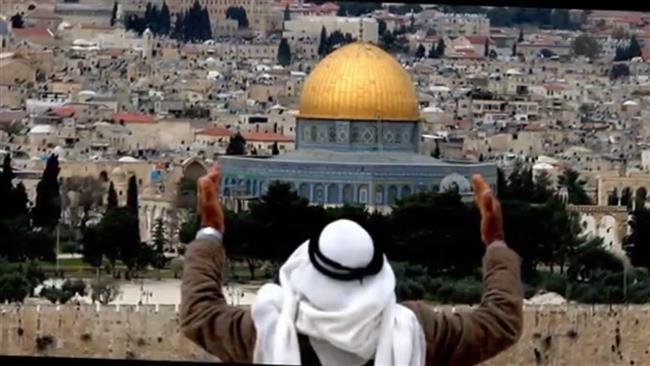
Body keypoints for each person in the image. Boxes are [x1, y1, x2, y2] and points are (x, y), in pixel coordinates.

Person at [181, 163, 523, 365]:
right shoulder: (416, 331)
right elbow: (500, 322)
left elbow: (200, 314)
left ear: (308, 271)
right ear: (377, 275)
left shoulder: (270, 328)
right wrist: (495, 243)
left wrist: (211, 230)